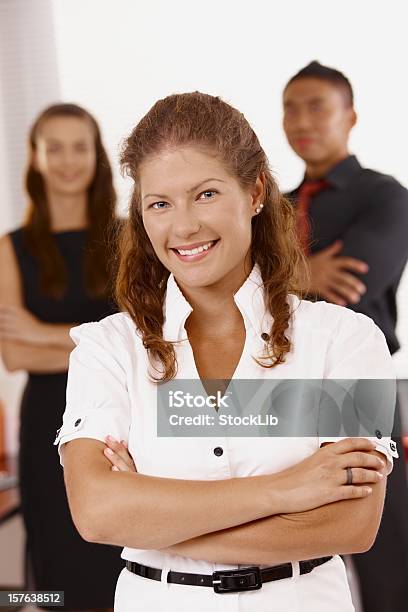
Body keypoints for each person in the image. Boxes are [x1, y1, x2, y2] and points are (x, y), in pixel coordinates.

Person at [55, 92, 398, 612]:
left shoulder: (347, 340)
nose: (184, 226)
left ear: (255, 190)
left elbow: (352, 525)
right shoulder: (105, 348)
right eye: (160, 204)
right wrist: (288, 490)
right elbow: (96, 513)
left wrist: (153, 520)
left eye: (206, 194)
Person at [282, 61, 408, 612]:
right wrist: (305, 274)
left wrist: (278, 275)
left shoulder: (387, 196)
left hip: (359, 390)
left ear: (349, 116)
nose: (301, 120)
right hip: (277, 387)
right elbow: (230, 291)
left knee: (384, 551)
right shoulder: (273, 209)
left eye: (316, 106)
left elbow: (354, 282)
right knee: (288, 549)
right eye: (290, 107)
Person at [0, 103, 123, 610]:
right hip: (47, 419)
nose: (69, 160)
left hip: (118, 418)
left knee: (120, 558)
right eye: (55, 147)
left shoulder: (128, 236)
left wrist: (45, 333)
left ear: (96, 156)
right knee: (58, 566)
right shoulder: (10, 248)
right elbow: (13, 352)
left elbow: (138, 341)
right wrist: (95, 340)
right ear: (35, 157)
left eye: (81, 146)